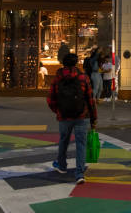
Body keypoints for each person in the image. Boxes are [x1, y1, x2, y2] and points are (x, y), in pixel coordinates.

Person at [47, 53, 97, 184]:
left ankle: (62, 166)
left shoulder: (57, 79)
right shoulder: (83, 78)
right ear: (76, 63)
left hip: (64, 116)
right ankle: (79, 174)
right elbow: (90, 99)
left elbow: (51, 99)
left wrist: (58, 110)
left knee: (64, 140)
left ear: (63, 63)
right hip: (82, 115)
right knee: (81, 144)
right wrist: (93, 118)